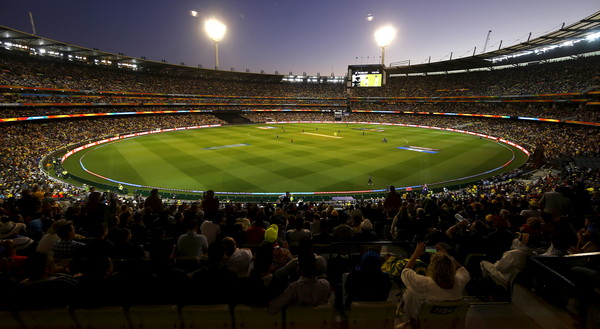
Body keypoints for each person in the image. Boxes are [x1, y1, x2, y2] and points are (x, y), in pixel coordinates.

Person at [400, 242, 470, 325]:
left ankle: (408, 322)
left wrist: (416, 254)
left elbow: (405, 272)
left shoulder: (423, 283)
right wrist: (446, 255)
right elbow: (463, 271)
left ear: (432, 267)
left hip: (424, 324)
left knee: (410, 292)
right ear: (451, 267)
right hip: (449, 324)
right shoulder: (459, 282)